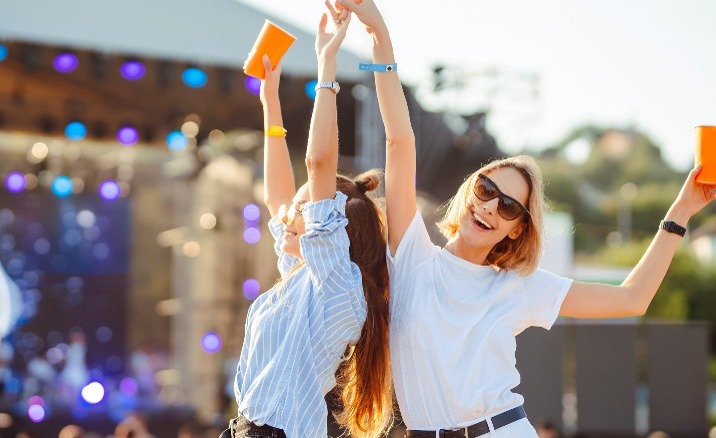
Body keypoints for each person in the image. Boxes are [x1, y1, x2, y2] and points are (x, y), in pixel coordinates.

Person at [337, 0, 716, 436]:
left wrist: (681, 211)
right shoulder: (413, 256)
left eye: (509, 207)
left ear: (518, 228)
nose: (490, 206)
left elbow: (632, 299)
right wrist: (380, 38)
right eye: (485, 189)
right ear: (468, 192)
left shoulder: (516, 287)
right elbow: (400, 140)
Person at [223, 6, 392, 438]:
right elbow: (279, 198)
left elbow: (317, 164)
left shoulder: (337, 285)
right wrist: (271, 102)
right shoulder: (304, 279)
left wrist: (326, 69)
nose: (290, 216)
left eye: (307, 209)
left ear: (331, 230)